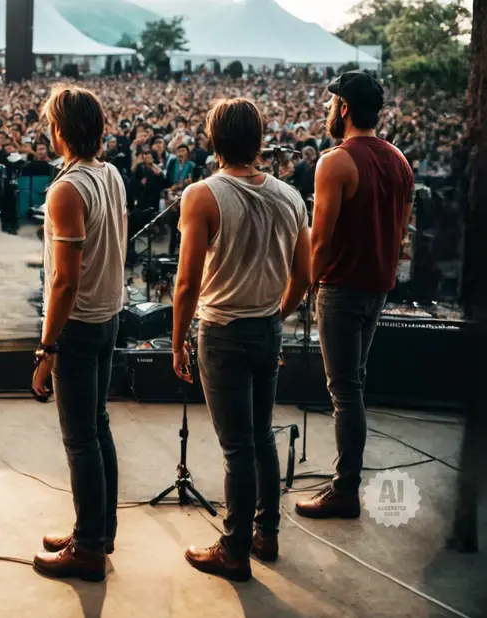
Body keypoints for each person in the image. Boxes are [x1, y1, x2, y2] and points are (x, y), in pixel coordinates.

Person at [172, 98, 310, 581]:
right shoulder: (290, 197)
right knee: (261, 436)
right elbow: (304, 275)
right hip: (267, 328)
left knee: (237, 448)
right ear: (258, 138)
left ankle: (233, 550)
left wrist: (177, 340)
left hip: (223, 332)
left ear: (214, 140)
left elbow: (187, 283)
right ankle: (266, 533)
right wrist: (275, 314)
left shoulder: (202, 195)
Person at [295, 71, 414, 520]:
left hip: (341, 288)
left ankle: (345, 489)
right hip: (376, 288)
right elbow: (400, 230)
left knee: (344, 391)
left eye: (332, 103)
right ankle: (345, 481)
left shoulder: (336, 161)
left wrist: (305, 285)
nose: (328, 110)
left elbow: (321, 240)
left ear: (344, 107)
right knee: (353, 385)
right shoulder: (400, 160)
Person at [31, 85, 127, 582]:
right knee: (98, 427)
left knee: (80, 439)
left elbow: (64, 281)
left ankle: (88, 549)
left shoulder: (67, 190)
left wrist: (47, 347)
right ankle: (99, 531)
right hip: (107, 316)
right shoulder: (110, 174)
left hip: (79, 325)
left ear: (60, 130)